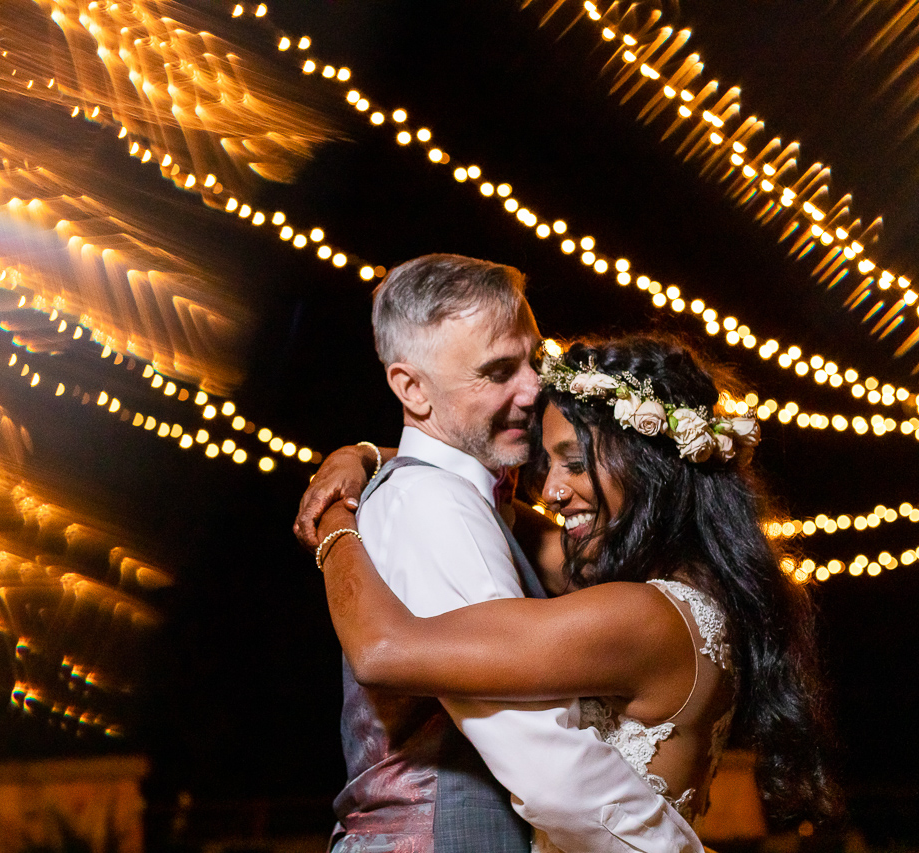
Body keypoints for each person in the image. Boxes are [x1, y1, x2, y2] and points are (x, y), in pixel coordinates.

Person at [301, 333, 842, 848]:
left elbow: (383, 652)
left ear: (649, 465)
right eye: (549, 463)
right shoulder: (689, 593)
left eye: (575, 463)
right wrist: (365, 456)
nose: (552, 491)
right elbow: (485, 499)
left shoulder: (642, 617)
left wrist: (334, 523)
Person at [303, 253, 707, 853]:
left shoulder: (462, 498)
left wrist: (367, 454)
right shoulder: (432, 503)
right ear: (411, 388)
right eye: (497, 373)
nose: (533, 389)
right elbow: (542, 757)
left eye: (534, 361)